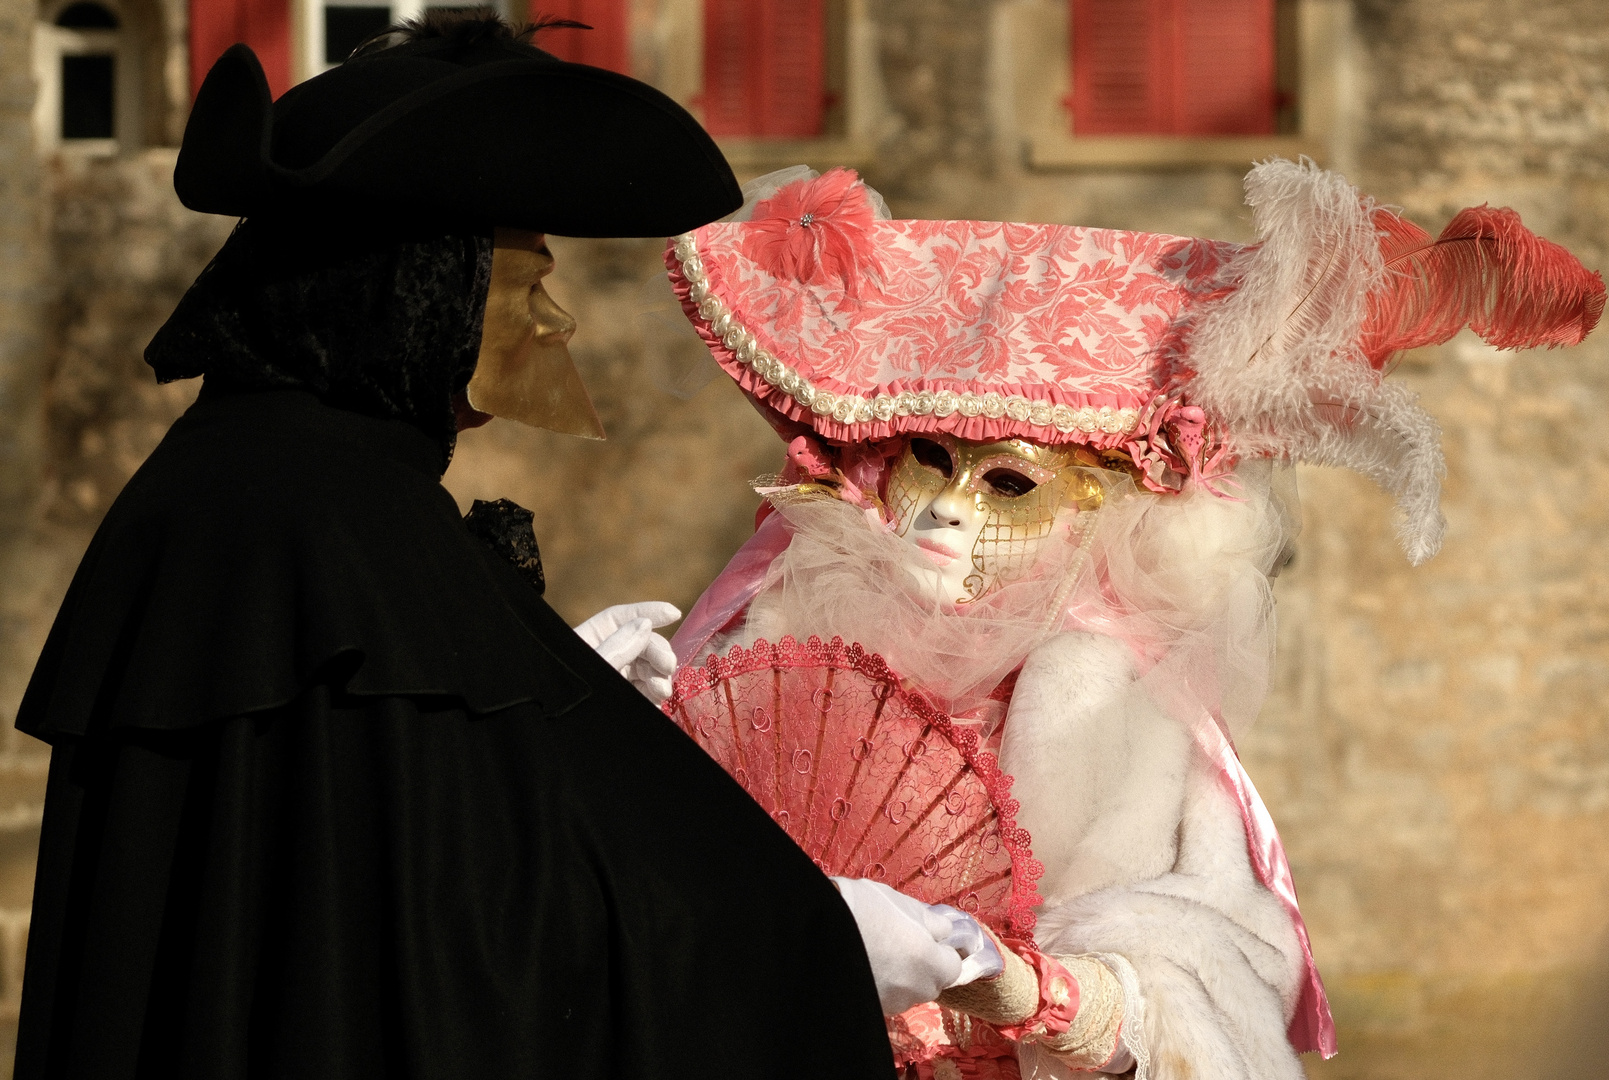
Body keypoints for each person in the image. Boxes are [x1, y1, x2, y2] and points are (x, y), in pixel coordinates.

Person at [13, 17, 894, 1079]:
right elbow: (471, 945)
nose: (557, 318)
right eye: (523, 283)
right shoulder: (322, 521)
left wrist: (551, 700)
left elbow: (416, 839)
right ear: (415, 298)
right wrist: (801, 930)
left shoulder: (270, 489)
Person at [661, 163, 1605, 1079]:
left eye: (1008, 484)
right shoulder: (772, 654)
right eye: (925, 460)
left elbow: (1223, 963)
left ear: (1095, 516)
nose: (947, 509)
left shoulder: (1112, 701)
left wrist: (1042, 999)